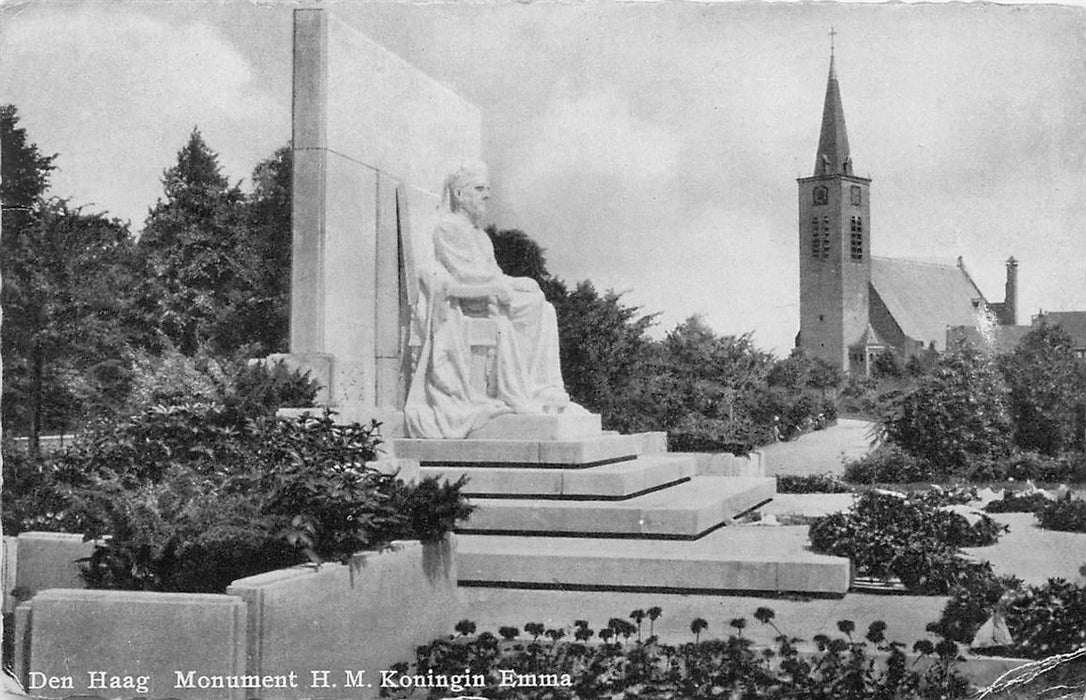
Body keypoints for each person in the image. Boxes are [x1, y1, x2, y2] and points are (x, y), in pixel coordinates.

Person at [404, 161, 574, 438]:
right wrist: (497, 286)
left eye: (487, 189)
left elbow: (493, 272)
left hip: (488, 294)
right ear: (459, 195)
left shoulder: (480, 237)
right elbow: (462, 273)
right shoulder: (449, 228)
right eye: (479, 188)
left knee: (541, 301)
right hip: (471, 301)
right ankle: (523, 390)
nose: (487, 195)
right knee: (533, 306)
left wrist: (513, 282)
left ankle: (543, 387)